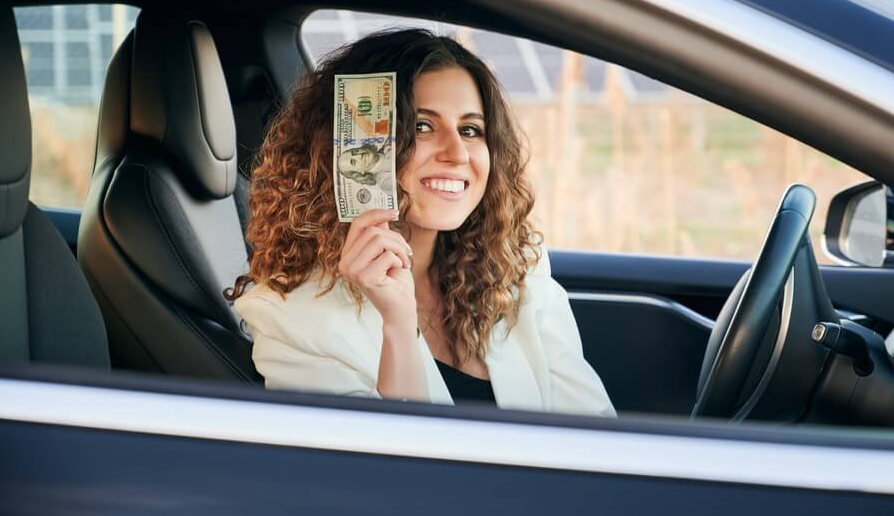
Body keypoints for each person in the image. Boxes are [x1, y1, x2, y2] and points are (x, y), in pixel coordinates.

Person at [229, 29, 615, 417]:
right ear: (353, 147)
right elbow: (388, 473)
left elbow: (595, 435)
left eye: (470, 130)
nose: (457, 152)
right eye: (421, 126)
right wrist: (398, 328)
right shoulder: (291, 320)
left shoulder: (519, 273)